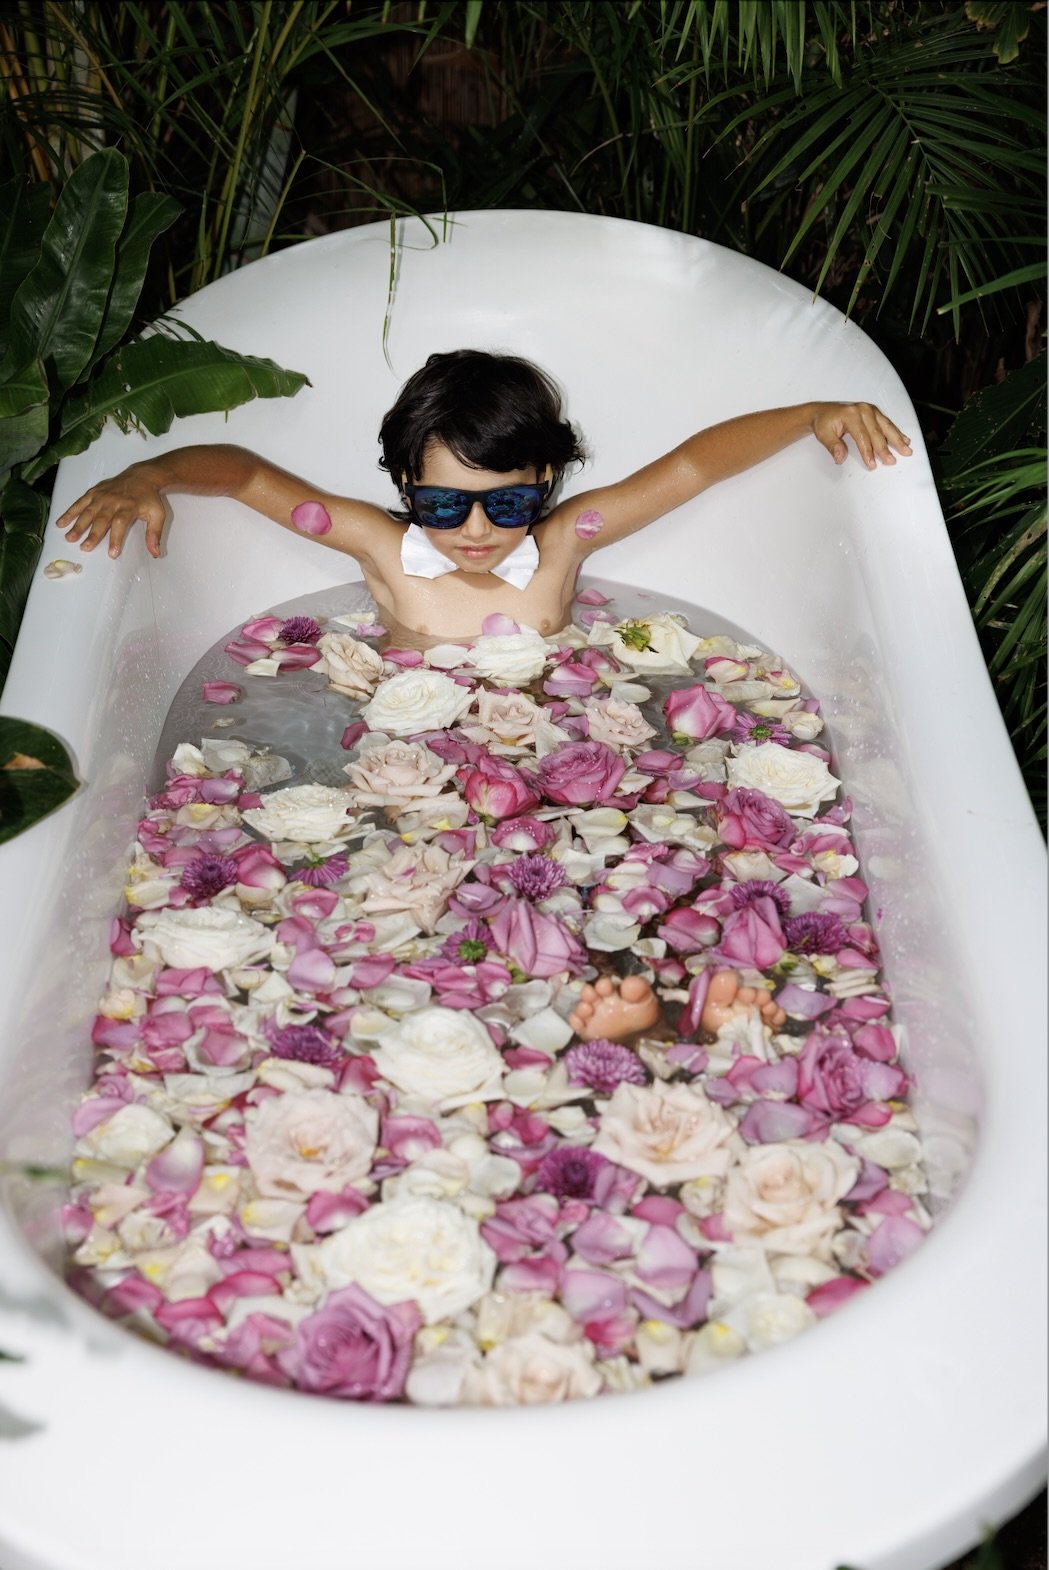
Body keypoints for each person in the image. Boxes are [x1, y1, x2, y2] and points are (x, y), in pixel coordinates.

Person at [56, 348, 911, 648]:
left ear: (539, 483)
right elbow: (243, 473)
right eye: (441, 505)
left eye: (503, 507)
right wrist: (150, 475)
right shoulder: (376, 546)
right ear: (404, 488)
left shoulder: (569, 538)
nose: (474, 531)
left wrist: (808, 416)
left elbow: (692, 466)